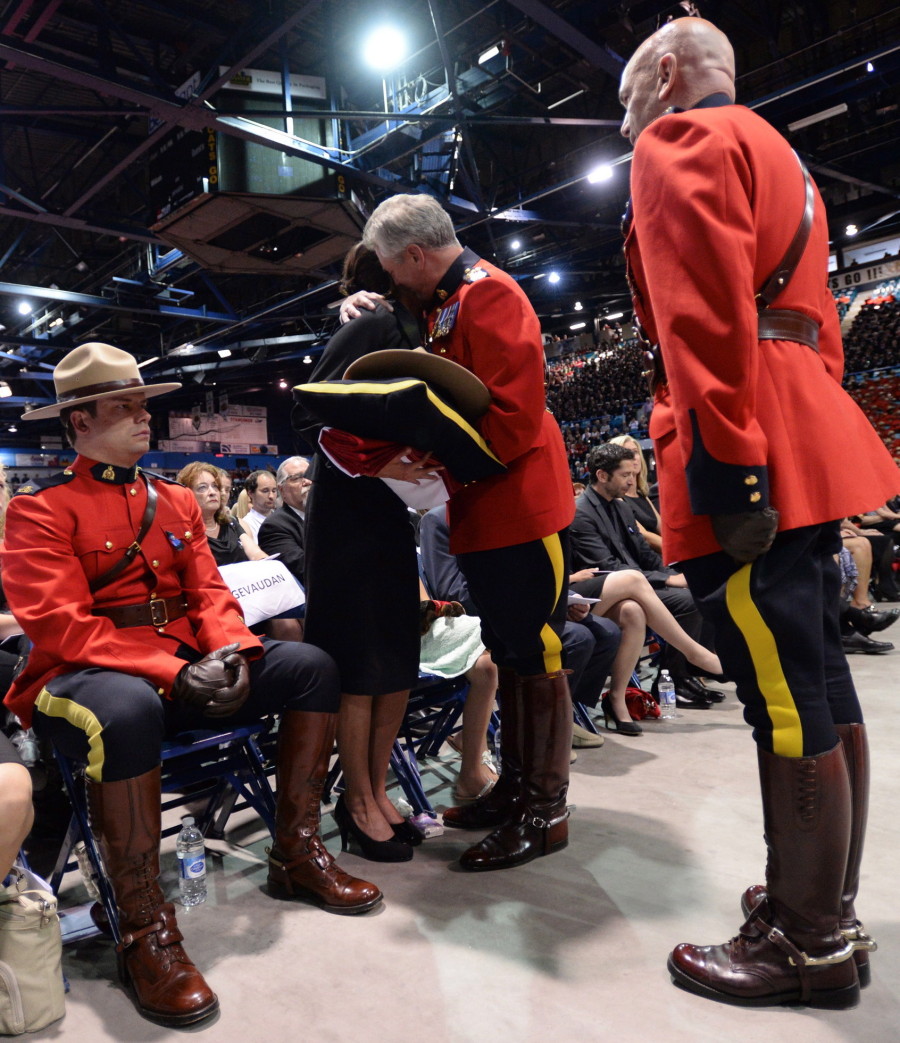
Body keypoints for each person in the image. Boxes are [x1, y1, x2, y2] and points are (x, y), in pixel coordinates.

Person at [618, 17, 900, 1008]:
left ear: (662, 72)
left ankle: (809, 939)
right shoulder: (780, 150)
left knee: (781, 692)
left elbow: (700, 316)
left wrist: (733, 475)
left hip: (748, 442)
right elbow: (813, 319)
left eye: (626, 104)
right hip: (801, 418)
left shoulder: (680, 139)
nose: (627, 127)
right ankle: (821, 902)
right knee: (818, 673)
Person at [2, 343, 381, 1028]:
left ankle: (295, 851)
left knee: (310, 667)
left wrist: (232, 652)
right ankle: (145, 931)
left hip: (185, 664)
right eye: (124, 405)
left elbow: (208, 592)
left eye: (143, 401)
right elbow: (64, 627)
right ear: (79, 420)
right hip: (81, 681)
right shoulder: (40, 511)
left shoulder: (174, 499)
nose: (144, 415)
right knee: (125, 709)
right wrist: (177, 672)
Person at [359, 193, 576, 872]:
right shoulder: (447, 301)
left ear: (417, 256)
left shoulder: (491, 296)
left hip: (519, 505)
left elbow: (511, 415)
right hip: (485, 506)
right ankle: (514, 789)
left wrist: (433, 449)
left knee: (534, 650)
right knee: (509, 648)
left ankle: (546, 810)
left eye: (394, 270)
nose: (394, 282)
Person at [295, 244, 426, 863]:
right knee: (360, 660)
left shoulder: (411, 324)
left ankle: (375, 788)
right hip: (351, 508)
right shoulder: (373, 320)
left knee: (396, 657)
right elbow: (318, 398)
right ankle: (356, 801)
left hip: (391, 503)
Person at [571, 443, 721, 707]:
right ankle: (687, 665)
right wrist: (666, 579)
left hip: (637, 581)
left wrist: (671, 574)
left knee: (696, 593)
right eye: (625, 475)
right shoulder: (581, 512)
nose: (632, 481)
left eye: (632, 474)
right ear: (602, 475)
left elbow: (645, 554)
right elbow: (607, 567)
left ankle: (681, 674)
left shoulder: (622, 507)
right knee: (683, 599)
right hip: (608, 588)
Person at [176, 461, 267, 566]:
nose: (212, 492)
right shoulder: (183, 532)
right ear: (186, 495)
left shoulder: (231, 523)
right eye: (202, 487)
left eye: (215, 486)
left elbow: (256, 553)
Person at [257, 456, 311, 583]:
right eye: (297, 477)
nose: (307, 482)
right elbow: (306, 570)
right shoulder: (274, 527)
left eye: (310, 475)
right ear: (282, 489)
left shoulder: (330, 516)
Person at [239, 469, 277, 539]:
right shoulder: (247, 525)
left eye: (274, 491)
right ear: (251, 493)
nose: (271, 496)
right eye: (265, 491)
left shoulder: (282, 519)